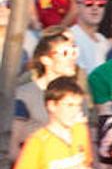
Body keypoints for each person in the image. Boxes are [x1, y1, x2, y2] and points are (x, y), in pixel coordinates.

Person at [12, 29, 81, 161]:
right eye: (65, 53)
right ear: (46, 59)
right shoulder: (24, 95)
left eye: (74, 52)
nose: (72, 58)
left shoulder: (76, 95)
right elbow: (12, 147)